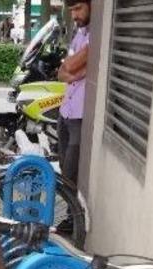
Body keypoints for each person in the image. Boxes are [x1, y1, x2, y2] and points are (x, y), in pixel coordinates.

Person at [57, 0, 90, 185]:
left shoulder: (95, 36)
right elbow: (62, 73)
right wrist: (77, 72)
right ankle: (70, 211)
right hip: (65, 112)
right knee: (64, 170)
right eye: (71, 11)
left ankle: (72, 214)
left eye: (78, 9)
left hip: (79, 115)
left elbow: (69, 65)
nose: (74, 15)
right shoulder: (79, 34)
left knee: (70, 175)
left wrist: (70, 69)